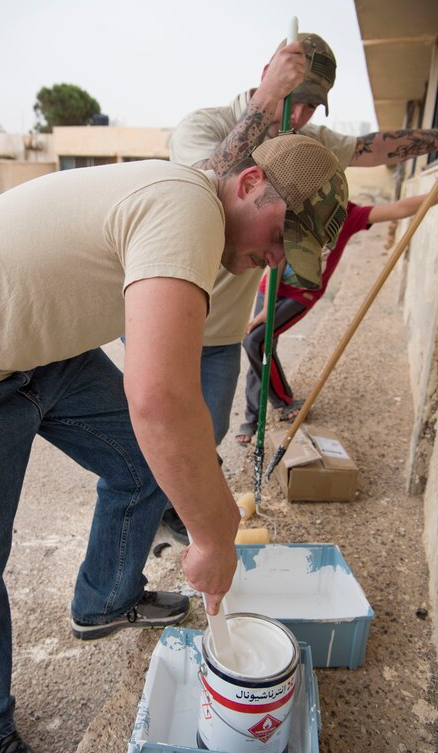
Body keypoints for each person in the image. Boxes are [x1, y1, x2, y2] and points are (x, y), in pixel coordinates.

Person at [0, 134, 347, 753]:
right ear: (252, 181)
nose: (275, 261)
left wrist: (201, 501)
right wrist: (214, 536)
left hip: (42, 355)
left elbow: (165, 423)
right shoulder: (187, 208)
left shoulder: (191, 214)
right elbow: (161, 399)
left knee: (152, 463)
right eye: (283, 237)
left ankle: (105, 601)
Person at [162, 31, 438, 543]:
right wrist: (268, 101)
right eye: (299, 98)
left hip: (222, 327)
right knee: (154, 435)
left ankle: (178, 511)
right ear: (269, 72)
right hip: (168, 312)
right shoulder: (205, 125)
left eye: (315, 104)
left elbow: (366, 149)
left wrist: (434, 141)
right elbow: (202, 181)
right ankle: (134, 546)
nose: (304, 115)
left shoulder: (304, 142)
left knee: (207, 434)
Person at [237, 193, 430, 442]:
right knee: (262, 346)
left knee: (256, 342)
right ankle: (252, 417)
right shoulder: (297, 209)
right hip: (272, 288)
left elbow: (399, 207)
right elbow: (277, 258)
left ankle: (282, 402)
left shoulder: (348, 215)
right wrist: (266, 310)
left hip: (303, 293)